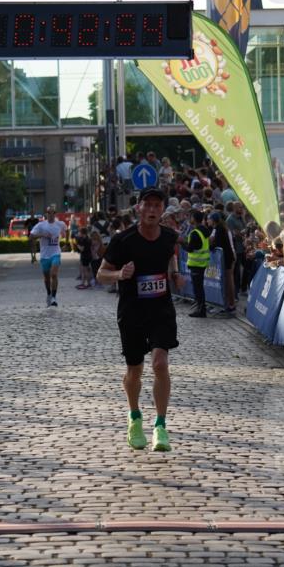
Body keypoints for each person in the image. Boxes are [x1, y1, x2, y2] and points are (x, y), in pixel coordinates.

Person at [97, 187, 183, 452]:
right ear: (139, 209)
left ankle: (160, 426)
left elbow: (171, 256)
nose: (152, 210)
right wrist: (120, 274)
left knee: (160, 363)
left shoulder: (170, 236)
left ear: (162, 210)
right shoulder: (123, 240)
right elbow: (101, 273)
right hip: (132, 311)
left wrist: (175, 274)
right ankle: (134, 417)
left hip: (161, 309)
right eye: (148, 205)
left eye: (158, 206)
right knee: (135, 370)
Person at [30, 205, 68, 307]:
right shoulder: (41, 225)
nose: (51, 215)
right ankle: (49, 294)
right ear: (46, 214)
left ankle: (54, 297)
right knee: (47, 278)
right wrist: (42, 235)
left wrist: (66, 243)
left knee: (54, 274)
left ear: (55, 213)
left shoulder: (60, 224)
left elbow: (66, 229)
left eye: (53, 212)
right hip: (44, 255)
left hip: (56, 253)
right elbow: (31, 236)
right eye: (49, 213)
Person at [183, 209, 210, 318]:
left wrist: (181, 243)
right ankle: (200, 308)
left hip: (196, 264)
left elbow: (190, 248)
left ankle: (201, 310)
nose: (190, 219)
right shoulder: (204, 230)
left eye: (191, 217)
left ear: (194, 219)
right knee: (199, 287)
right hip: (202, 263)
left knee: (198, 288)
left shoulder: (195, 233)